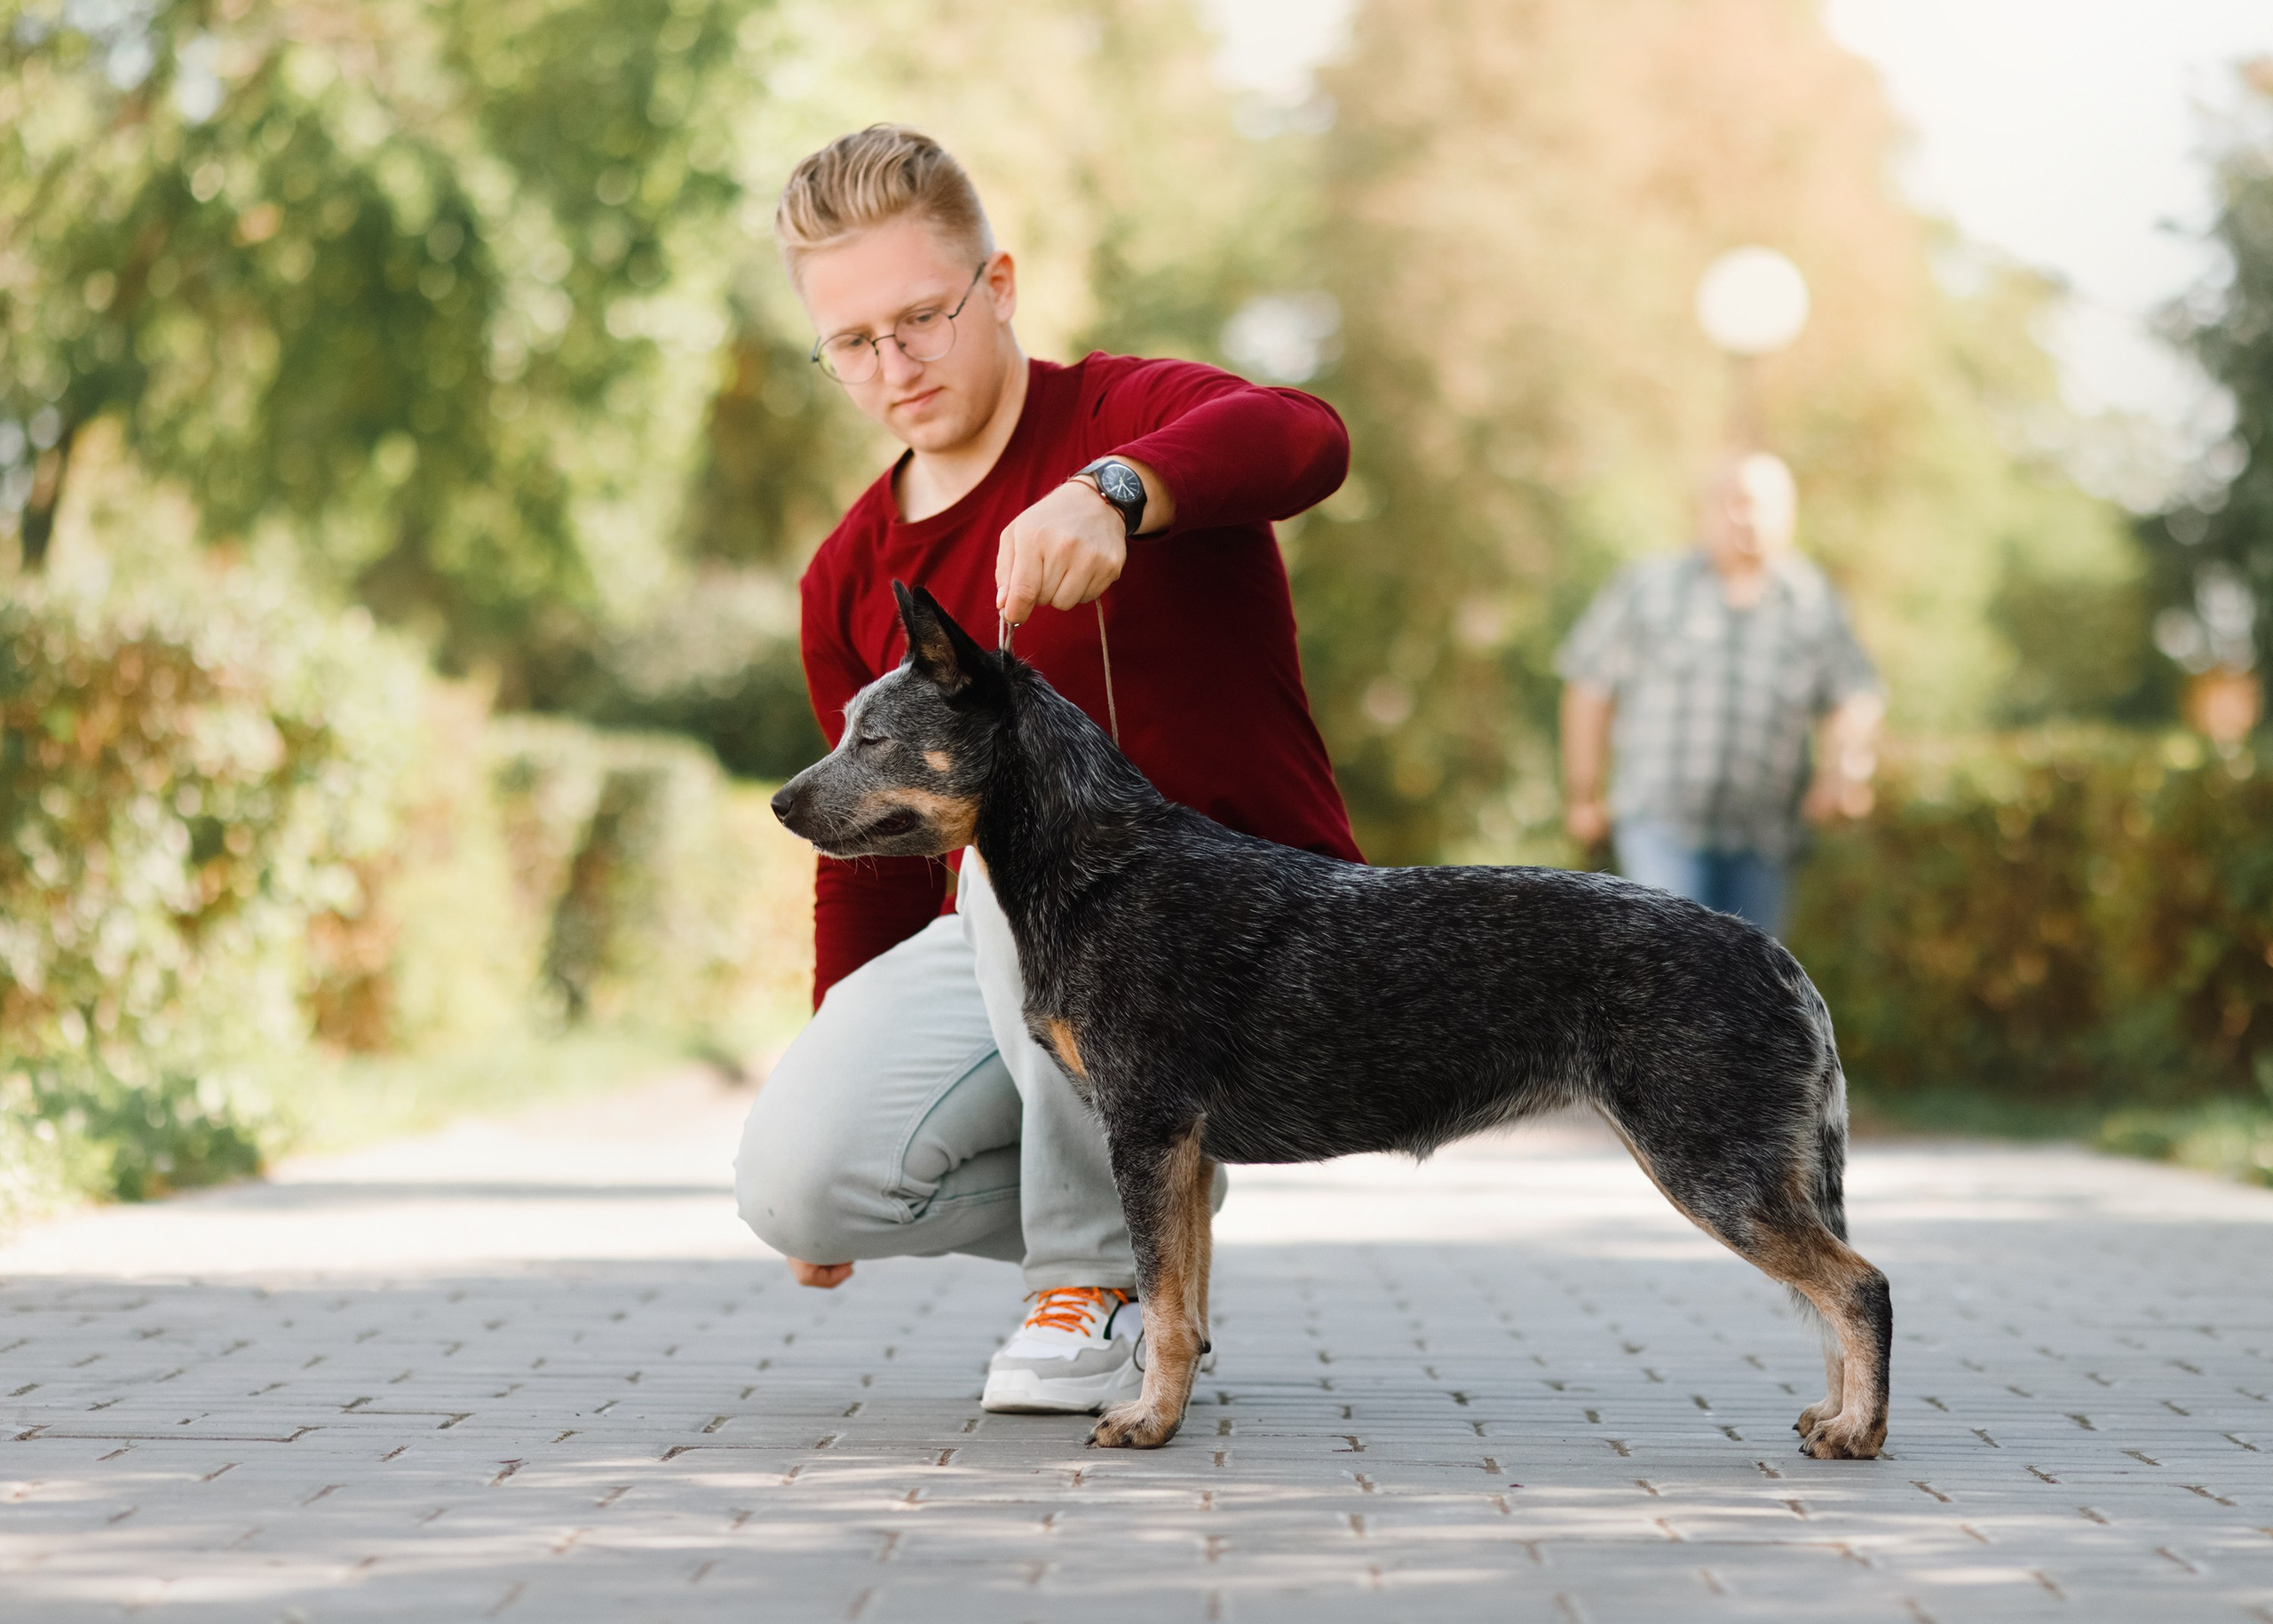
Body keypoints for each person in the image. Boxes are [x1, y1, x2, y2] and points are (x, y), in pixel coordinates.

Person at [733, 127, 1361, 1415]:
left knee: (1031, 846)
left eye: (921, 317)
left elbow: (1307, 435)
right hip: (1015, 944)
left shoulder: (1122, 419)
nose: (893, 366)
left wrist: (1117, 493)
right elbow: (873, 858)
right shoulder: (848, 574)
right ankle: (1154, 1180)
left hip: (1257, 927)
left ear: (1000, 285)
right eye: (851, 342)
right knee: (801, 1179)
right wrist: (837, 1058)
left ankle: (1095, 1281)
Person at [1556, 451, 1881, 936]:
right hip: (1661, 826)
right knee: (1673, 963)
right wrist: (1584, 794)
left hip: (1765, 840)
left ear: (1789, 515)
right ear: (1706, 510)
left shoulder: (1813, 602)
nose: (1744, 516)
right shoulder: (1649, 588)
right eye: (1732, 501)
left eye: (1760, 504)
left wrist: (1843, 771)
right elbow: (1589, 686)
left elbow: (1856, 694)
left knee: (1751, 978)